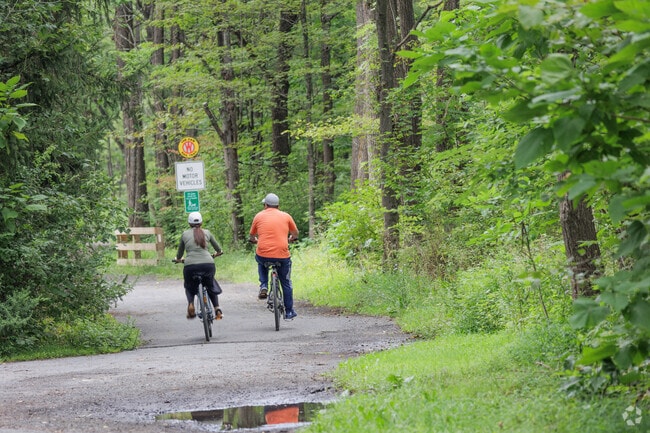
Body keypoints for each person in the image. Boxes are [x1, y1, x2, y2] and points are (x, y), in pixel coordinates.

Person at [249, 193, 299, 320]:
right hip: (282, 255)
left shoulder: (259, 216)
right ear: (278, 205)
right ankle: (288, 312)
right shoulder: (286, 216)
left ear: (265, 205)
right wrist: (292, 238)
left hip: (263, 253)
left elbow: (252, 235)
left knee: (260, 260)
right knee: (286, 283)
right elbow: (295, 233)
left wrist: (254, 240)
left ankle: (264, 285)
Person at [175, 212, 223, 320]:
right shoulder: (207, 233)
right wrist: (217, 253)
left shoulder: (184, 234)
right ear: (201, 222)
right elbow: (218, 249)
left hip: (190, 266)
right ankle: (217, 308)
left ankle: (191, 304)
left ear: (189, 223)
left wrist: (178, 259)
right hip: (208, 264)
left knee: (189, 285)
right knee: (210, 284)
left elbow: (179, 253)